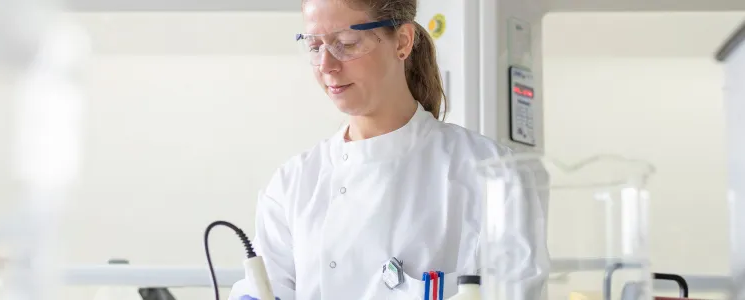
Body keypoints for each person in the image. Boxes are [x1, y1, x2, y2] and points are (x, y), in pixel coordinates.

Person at [228, 0, 550, 299]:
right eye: (314, 45)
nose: (326, 65)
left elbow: (517, 290)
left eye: (346, 43)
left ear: (402, 42)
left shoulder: (492, 174)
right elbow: (261, 288)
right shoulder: (293, 185)